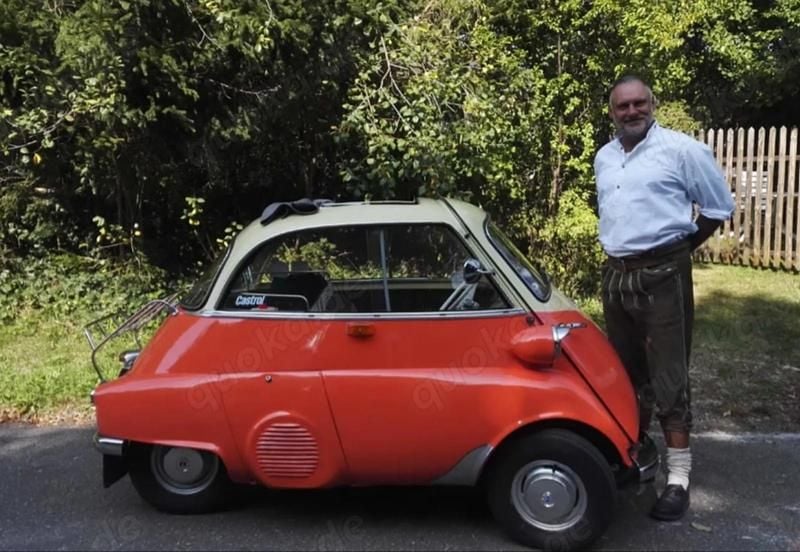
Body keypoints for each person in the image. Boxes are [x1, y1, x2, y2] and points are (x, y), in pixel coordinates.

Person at [593, 75, 734, 521]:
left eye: (639, 104)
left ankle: (677, 481)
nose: (631, 112)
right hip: (616, 276)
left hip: (663, 274)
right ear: (612, 111)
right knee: (625, 375)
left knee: (669, 376)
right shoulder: (605, 156)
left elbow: (716, 208)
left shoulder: (682, 150)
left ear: (652, 103)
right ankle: (635, 459)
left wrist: (677, 253)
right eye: (623, 107)